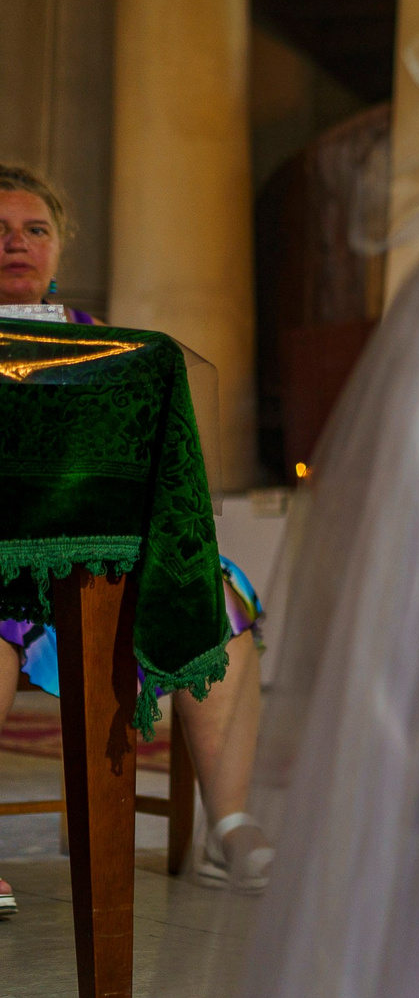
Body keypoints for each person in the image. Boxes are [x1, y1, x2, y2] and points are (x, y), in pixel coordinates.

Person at [0, 164, 269, 917]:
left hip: (99, 569)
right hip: (7, 572)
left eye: (35, 229)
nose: (16, 243)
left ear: (60, 247)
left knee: (213, 589)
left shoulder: (106, 346)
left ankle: (231, 825)